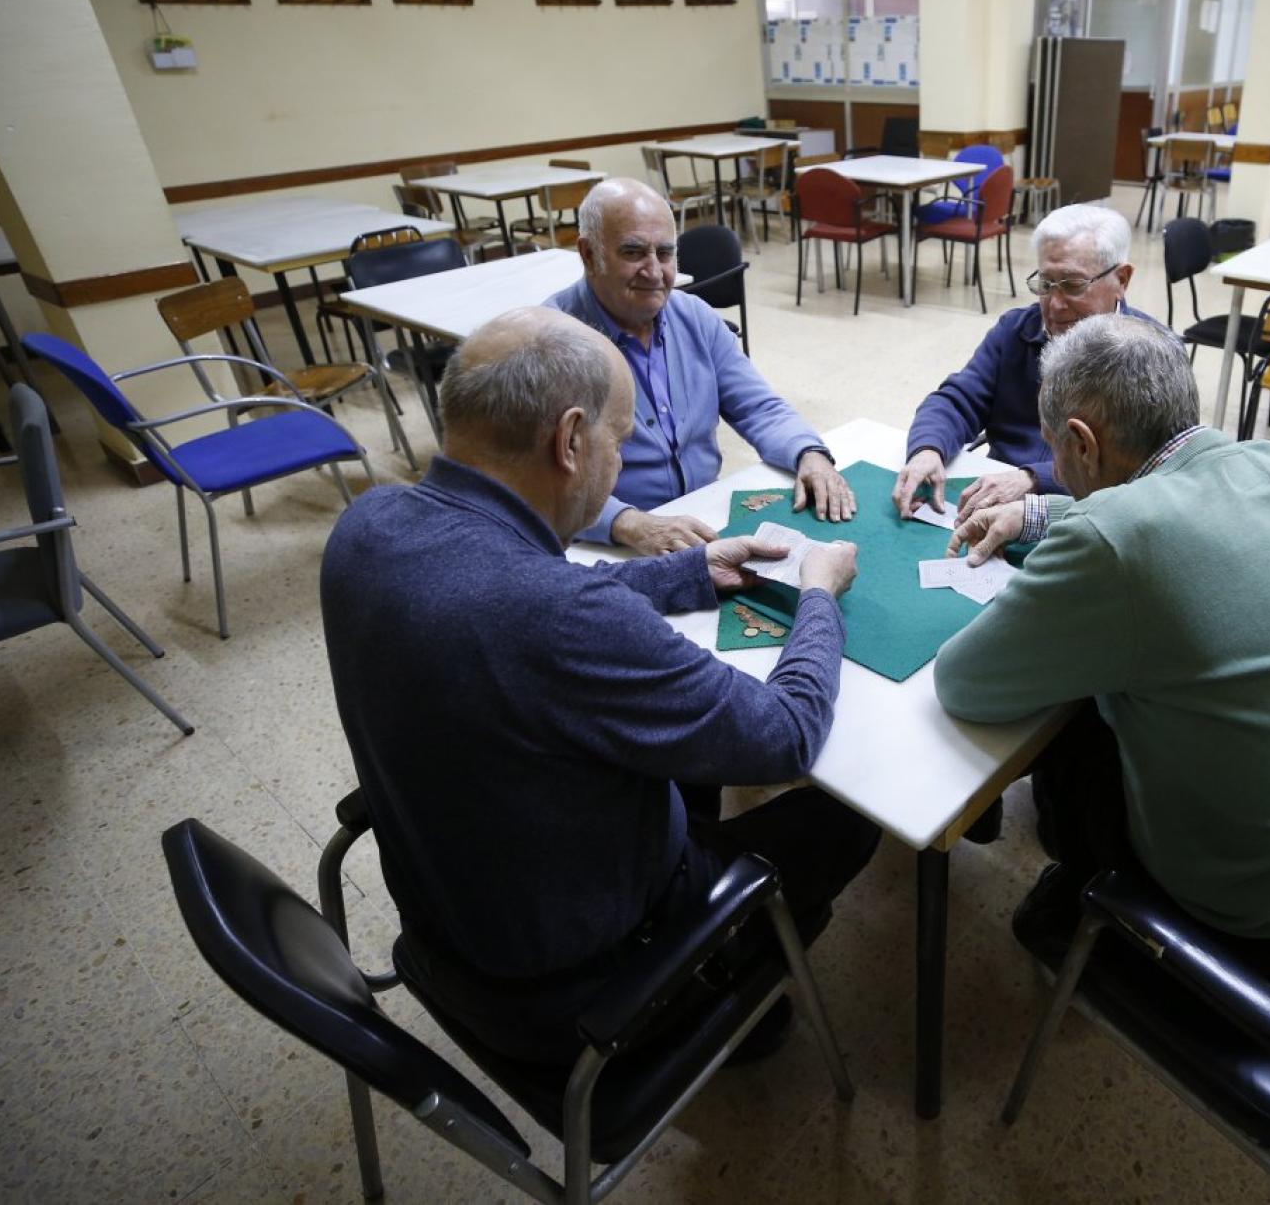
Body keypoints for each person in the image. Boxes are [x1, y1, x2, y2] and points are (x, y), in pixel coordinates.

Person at [321, 307, 880, 1070]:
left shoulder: (367, 523)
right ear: (571, 440)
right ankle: (713, 996)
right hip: (586, 987)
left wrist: (690, 570)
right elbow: (783, 734)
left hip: (452, 918)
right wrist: (818, 591)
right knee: (849, 816)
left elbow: (506, 590)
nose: (620, 461)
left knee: (686, 765)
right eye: (620, 440)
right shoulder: (565, 616)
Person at [933, 315, 1270, 947]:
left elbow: (965, 684)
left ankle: (1082, 905)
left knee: (1074, 727)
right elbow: (1161, 513)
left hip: (1251, 896)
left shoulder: (1114, 540)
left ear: (1083, 444)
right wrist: (1035, 512)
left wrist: (1072, 532)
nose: (1054, 461)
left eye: (1054, 448)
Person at [545, 177, 856, 553]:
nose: (655, 272)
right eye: (633, 253)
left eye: (665, 253)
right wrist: (627, 523)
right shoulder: (552, 341)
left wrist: (810, 454)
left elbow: (758, 407)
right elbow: (540, 482)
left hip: (702, 521)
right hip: (607, 543)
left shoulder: (694, 316)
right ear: (589, 254)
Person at [891, 203, 1158, 523]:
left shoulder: (1153, 356)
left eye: (1073, 285)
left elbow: (1142, 468)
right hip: (994, 496)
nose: (1055, 305)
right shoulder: (1016, 331)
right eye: (1046, 284)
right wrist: (928, 449)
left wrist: (1034, 479)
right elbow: (958, 400)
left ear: (1122, 279)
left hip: (1086, 518)